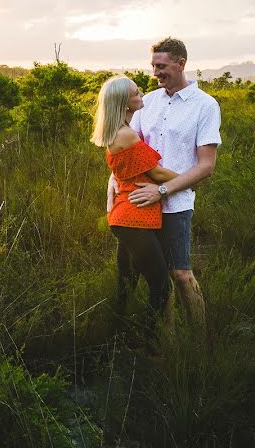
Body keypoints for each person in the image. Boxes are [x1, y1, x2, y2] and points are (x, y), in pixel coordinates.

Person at [125, 37, 221, 328]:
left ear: (181, 64)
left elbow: (206, 166)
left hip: (175, 204)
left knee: (181, 274)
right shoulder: (148, 103)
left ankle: (200, 345)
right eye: (153, 66)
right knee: (157, 278)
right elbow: (129, 149)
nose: (155, 73)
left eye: (162, 66)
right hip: (141, 202)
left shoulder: (204, 105)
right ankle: (166, 343)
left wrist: (163, 189)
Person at [91, 76, 181, 325]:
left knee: (127, 284)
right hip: (134, 218)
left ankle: (118, 335)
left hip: (129, 216)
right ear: (124, 102)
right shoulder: (126, 135)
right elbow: (158, 173)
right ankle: (149, 341)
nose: (142, 95)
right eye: (136, 93)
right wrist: (190, 179)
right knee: (161, 287)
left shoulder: (120, 132)